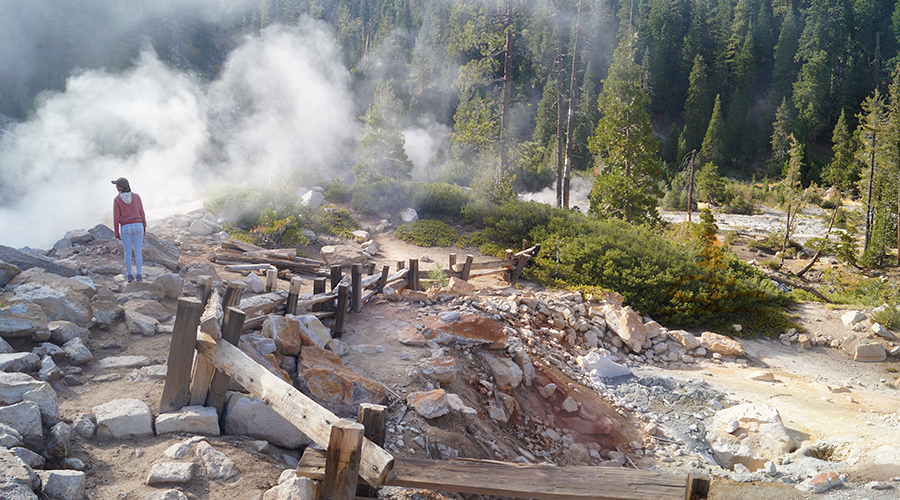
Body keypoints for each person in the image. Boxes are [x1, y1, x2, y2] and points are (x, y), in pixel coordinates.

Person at [112, 177, 147, 282]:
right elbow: (142, 213)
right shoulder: (136, 197)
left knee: (127, 252)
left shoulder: (117, 199)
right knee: (138, 251)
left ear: (121, 187)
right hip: (138, 225)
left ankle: (130, 276)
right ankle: (139, 275)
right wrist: (144, 226)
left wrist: (116, 232)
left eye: (117, 185)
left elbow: (116, 217)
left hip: (125, 227)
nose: (116, 187)